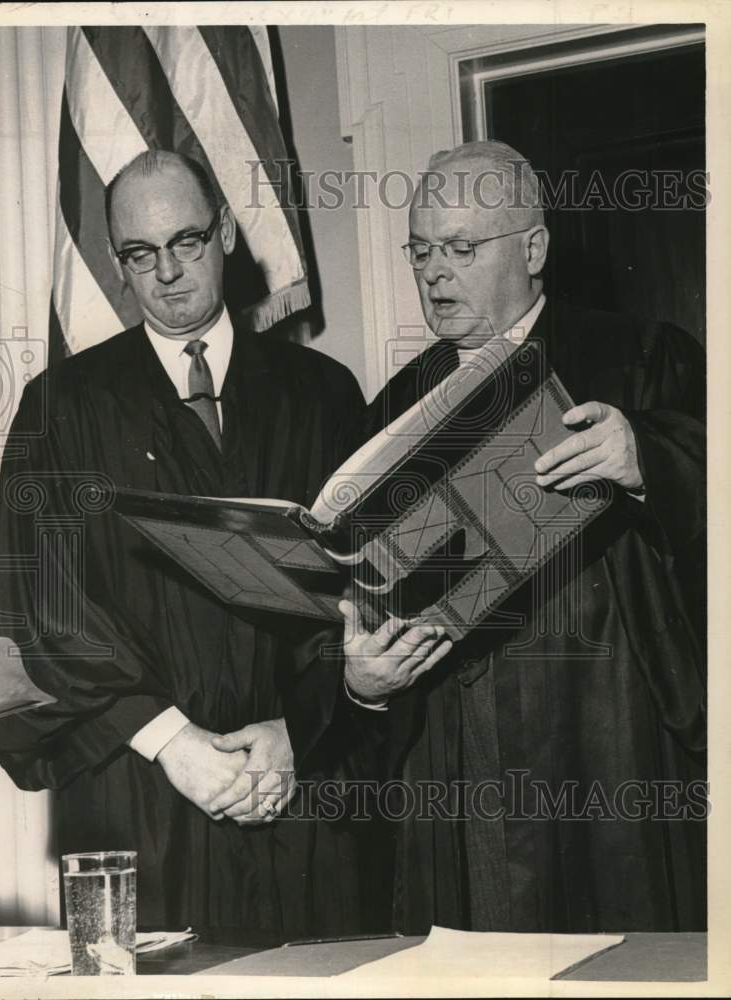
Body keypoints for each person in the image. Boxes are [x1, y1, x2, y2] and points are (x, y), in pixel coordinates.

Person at [299, 141, 707, 934]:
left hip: (606, 726)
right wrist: (360, 675)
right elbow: (352, 599)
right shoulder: (390, 408)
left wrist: (645, 457)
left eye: (459, 248)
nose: (433, 273)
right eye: (420, 251)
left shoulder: (637, 356)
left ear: (533, 247)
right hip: (454, 743)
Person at [0, 150, 371, 939]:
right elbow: (42, 610)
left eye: (187, 242)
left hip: (296, 786)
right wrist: (172, 742)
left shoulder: (322, 394)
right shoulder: (63, 406)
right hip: (136, 785)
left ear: (225, 234)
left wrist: (296, 731)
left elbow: (368, 593)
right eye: (139, 253)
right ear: (117, 265)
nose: (166, 272)